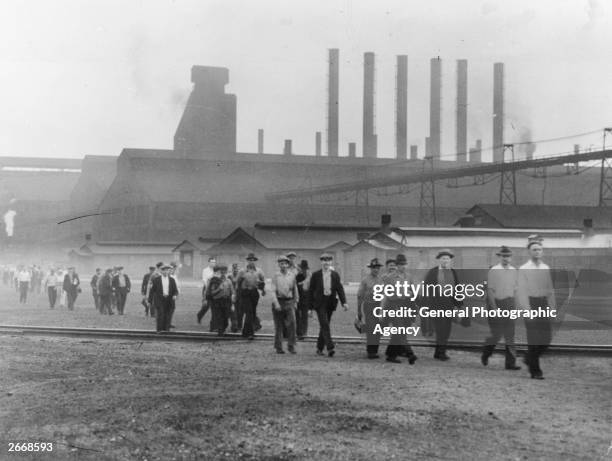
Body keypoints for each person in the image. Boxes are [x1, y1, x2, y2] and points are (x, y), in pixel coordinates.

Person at [517, 235, 556, 380]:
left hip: (543, 304)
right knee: (533, 340)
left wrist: (552, 308)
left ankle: (528, 358)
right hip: (531, 304)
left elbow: (550, 289)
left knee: (546, 339)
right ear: (529, 252)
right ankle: (535, 371)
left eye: (539, 249)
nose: (537, 252)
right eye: (534, 250)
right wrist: (528, 312)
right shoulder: (524, 269)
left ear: (542, 251)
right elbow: (522, 292)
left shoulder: (546, 268)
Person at [481, 246, 521, 371]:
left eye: (508, 256)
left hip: (509, 304)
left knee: (510, 335)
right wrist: (494, 309)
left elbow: (516, 290)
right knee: (497, 334)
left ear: (511, 257)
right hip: (497, 304)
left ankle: (510, 363)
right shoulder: (494, 270)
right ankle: (486, 353)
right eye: (503, 256)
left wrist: (516, 307)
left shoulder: (514, 271)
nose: (506, 258)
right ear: (500, 257)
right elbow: (490, 291)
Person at [421, 249, 464, 361]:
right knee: (440, 329)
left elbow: (458, 289)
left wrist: (459, 306)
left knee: (447, 329)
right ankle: (441, 353)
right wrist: (425, 306)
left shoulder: (453, 272)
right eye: (443, 258)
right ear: (439, 260)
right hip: (436, 305)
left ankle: (439, 352)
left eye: (447, 258)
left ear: (450, 260)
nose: (445, 260)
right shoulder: (432, 272)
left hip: (449, 305)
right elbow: (426, 289)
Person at [308, 253, 348, 357]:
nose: (326, 262)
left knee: (324, 326)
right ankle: (330, 347)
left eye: (328, 260)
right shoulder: (316, 275)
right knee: (324, 324)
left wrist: (344, 302)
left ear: (331, 262)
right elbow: (311, 291)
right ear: (321, 262)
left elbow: (339, 288)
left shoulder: (335, 275)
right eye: (324, 260)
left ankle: (319, 348)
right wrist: (310, 308)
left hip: (330, 302)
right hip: (319, 303)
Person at [270, 255, 299, 354]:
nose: (283, 265)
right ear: (279, 265)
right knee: (279, 326)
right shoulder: (275, 276)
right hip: (278, 301)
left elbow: (295, 289)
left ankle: (291, 346)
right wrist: (276, 303)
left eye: (285, 263)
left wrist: (295, 302)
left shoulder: (292, 275)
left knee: (292, 325)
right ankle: (278, 347)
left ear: (288, 265)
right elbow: (273, 290)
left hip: (289, 302)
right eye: (281, 263)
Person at [357, 258, 384, 359]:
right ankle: (370, 351)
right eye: (373, 268)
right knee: (371, 328)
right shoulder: (365, 280)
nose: (375, 270)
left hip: (379, 306)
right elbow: (360, 295)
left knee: (378, 328)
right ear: (370, 269)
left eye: (377, 268)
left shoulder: (381, 280)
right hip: (369, 306)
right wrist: (359, 310)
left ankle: (375, 350)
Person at [236, 261, 264, 339]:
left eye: (253, 269)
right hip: (245, 294)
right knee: (249, 312)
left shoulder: (257, 274)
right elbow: (238, 283)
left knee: (252, 313)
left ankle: (245, 332)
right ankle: (250, 333)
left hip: (254, 294)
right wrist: (237, 293)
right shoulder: (242, 273)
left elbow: (261, 283)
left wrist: (262, 289)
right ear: (247, 268)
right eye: (250, 268)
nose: (251, 270)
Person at [205, 264, 234, 336]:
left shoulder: (229, 281)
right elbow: (212, 292)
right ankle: (220, 332)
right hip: (218, 301)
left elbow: (232, 292)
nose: (223, 274)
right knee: (219, 317)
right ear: (219, 272)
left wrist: (233, 304)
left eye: (225, 272)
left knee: (226, 317)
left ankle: (223, 328)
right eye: (222, 272)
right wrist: (219, 289)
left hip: (227, 301)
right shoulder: (215, 281)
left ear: (226, 272)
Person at [150, 264, 178, 332]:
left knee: (168, 315)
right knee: (160, 314)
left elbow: (175, 290)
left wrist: (174, 295)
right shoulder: (156, 280)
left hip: (169, 300)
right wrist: (150, 301)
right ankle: (159, 330)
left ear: (169, 271)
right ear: (161, 271)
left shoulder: (172, 280)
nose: (166, 272)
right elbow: (152, 291)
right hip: (160, 300)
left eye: (167, 271)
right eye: (164, 271)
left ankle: (166, 330)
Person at [197, 257, 217, 325]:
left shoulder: (216, 270)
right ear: (209, 262)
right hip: (207, 289)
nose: (213, 263)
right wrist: (208, 287)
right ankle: (199, 315)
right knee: (206, 306)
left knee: (214, 306)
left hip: (215, 290)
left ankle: (214, 322)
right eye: (211, 262)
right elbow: (204, 280)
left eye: (214, 262)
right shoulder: (205, 270)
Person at [295, 259, 311, 340]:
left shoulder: (309, 276)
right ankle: (300, 333)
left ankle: (303, 333)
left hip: (305, 299)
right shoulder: (298, 276)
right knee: (298, 316)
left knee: (303, 316)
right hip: (299, 298)